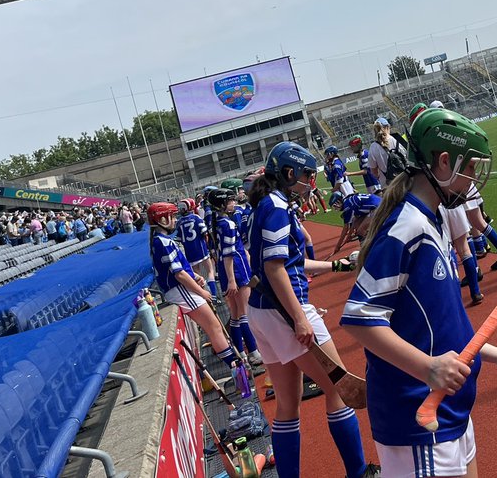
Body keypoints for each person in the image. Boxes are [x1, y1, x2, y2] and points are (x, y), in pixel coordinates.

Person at [341, 108, 497, 478]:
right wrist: (428, 369)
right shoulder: (405, 227)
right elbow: (359, 319)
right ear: (444, 162)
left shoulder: (433, 218)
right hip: (418, 418)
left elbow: (444, 324)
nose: (474, 178)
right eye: (471, 167)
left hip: (449, 409)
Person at [244, 142, 377, 478]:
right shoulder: (276, 207)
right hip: (284, 311)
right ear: (289, 173)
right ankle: (358, 471)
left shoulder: (267, 204)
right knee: (340, 390)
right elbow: (275, 269)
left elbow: (288, 262)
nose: (310, 182)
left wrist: (336, 267)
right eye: (306, 175)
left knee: (288, 404)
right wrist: (300, 316)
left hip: (261, 311)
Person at [147, 202, 244, 374]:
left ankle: (235, 365)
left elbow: (182, 270)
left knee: (215, 326)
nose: (175, 219)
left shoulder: (161, 240)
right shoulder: (162, 242)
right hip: (180, 290)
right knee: (214, 327)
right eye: (172, 216)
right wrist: (202, 292)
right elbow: (179, 275)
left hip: (180, 288)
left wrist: (195, 276)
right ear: (162, 219)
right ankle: (236, 368)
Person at [210, 187, 263, 366]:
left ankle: (241, 353)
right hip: (237, 270)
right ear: (222, 204)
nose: (233, 203)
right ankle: (254, 352)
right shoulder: (228, 224)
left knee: (235, 314)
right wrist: (233, 279)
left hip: (228, 271)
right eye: (229, 201)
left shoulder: (218, 222)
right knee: (244, 313)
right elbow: (229, 254)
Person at [177, 198, 218, 299]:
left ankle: (206, 296)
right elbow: (205, 233)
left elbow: (179, 239)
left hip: (190, 253)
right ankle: (213, 295)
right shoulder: (196, 218)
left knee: (198, 276)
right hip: (201, 250)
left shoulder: (179, 222)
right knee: (210, 271)